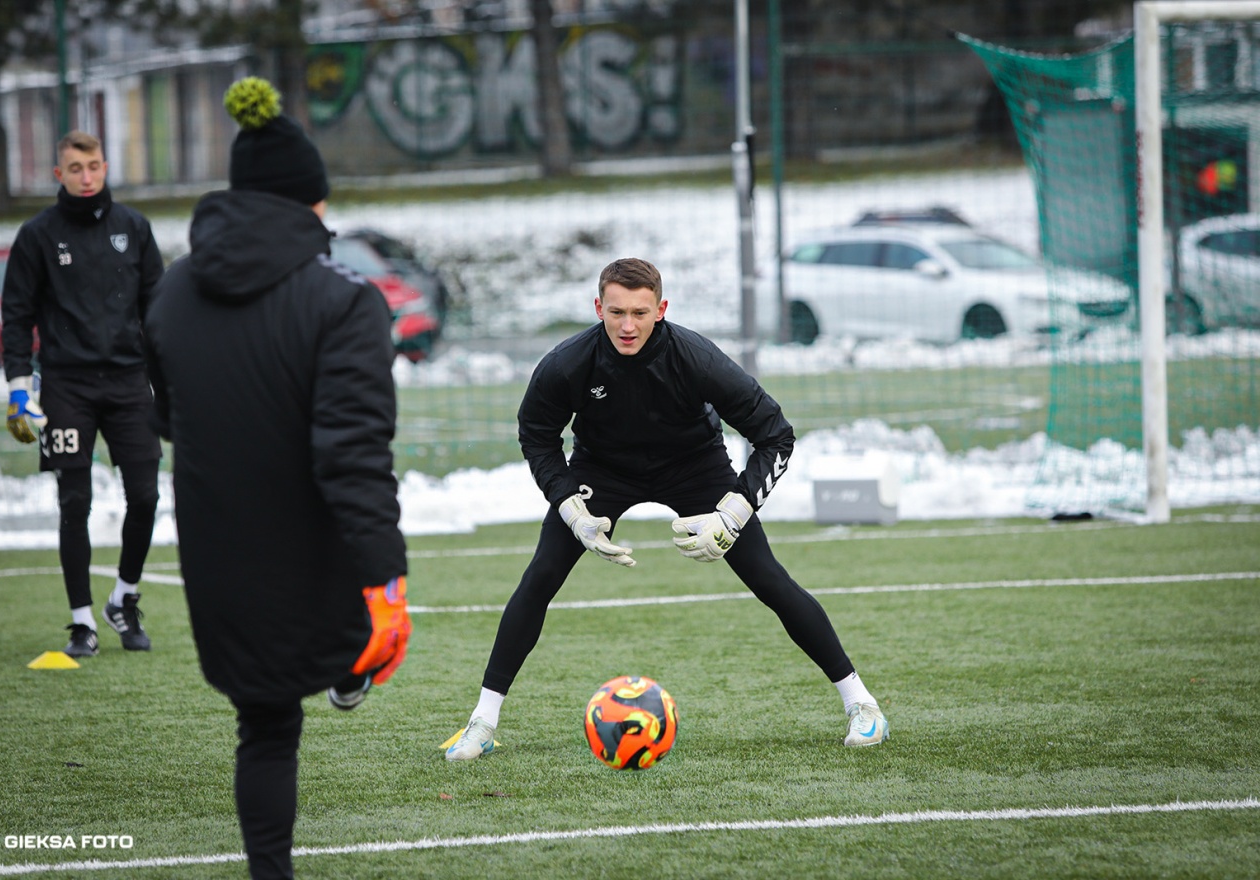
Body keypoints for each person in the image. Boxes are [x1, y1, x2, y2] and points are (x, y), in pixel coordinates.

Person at [445, 257, 888, 761]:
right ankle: (482, 721)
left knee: (768, 578)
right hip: (602, 471)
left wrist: (734, 512)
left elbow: (776, 436)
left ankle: (862, 704)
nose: (627, 326)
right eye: (616, 312)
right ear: (598, 308)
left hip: (694, 466)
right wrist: (570, 508)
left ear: (661, 309)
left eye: (640, 312)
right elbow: (536, 436)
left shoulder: (696, 357)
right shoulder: (567, 363)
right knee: (540, 575)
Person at [142, 77, 410, 880]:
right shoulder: (345, 301)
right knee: (348, 646)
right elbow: (353, 454)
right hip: (312, 553)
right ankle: (351, 663)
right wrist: (386, 580)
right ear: (309, 202)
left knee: (264, 728)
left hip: (217, 554)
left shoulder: (173, 290)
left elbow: (166, 416)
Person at [2, 130, 165, 658]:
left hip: (129, 383)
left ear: (106, 167)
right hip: (66, 387)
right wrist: (19, 388)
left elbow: (158, 312)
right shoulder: (37, 236)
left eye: (94, 166)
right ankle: (81, 623)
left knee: (146, 496)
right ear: (59, 175)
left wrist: (169, 382)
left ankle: (124, 598)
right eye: (76, 168)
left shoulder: (134, 228)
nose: (87, 176)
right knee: (75, 502)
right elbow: (16, 316)